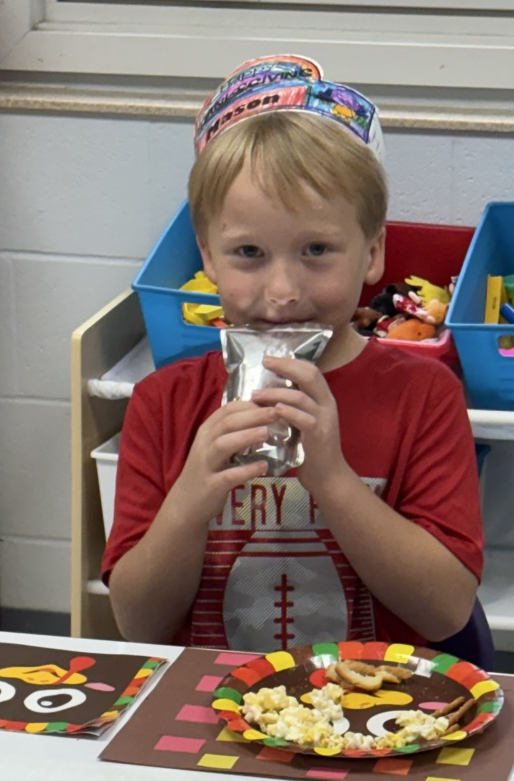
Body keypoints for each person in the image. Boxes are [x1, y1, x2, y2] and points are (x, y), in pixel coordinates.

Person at [103, 54, 485, 654]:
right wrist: (190, 499)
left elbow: (445, 613)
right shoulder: (164, 403)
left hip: (373, 714)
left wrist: (330, 477)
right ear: (206, 256)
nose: (281, 292)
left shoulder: (423, 397)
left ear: (372, 252)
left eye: (316, 250)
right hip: (212, 711)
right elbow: (137, 624)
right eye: (249, 252)